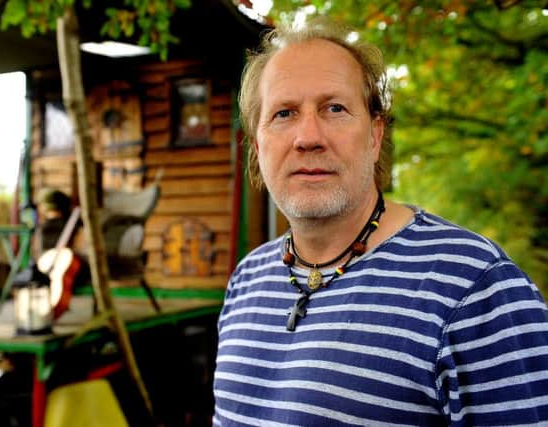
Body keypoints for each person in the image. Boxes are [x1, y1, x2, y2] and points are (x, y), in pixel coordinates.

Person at [213, 17, 548, 426]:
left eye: (334, 108)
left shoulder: (475, 287)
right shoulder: (246, 281)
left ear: (375, 135)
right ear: (257, 143)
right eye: (284, 113)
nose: (308, 136)